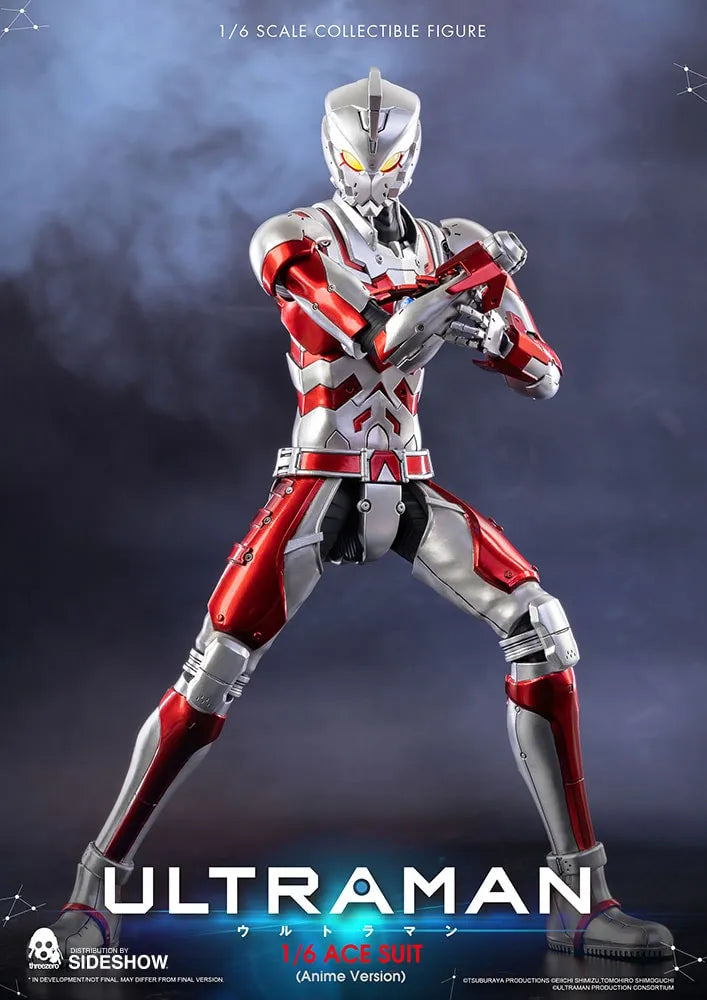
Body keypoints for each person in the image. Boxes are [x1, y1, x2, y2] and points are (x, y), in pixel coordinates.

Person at [48, 68, 672, 960]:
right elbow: (370, 336)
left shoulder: (452, 242)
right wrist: (458, 289)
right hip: (319, 480)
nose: (372, 172)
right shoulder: (291, 238)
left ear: (412, 155)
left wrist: (497, 334)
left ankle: (580, 900)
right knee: (213, 671)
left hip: (409, 482)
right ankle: (92, 894)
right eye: (356, 155)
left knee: (540, 629)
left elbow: (543, 375)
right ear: (329, 149)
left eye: (388, 157)